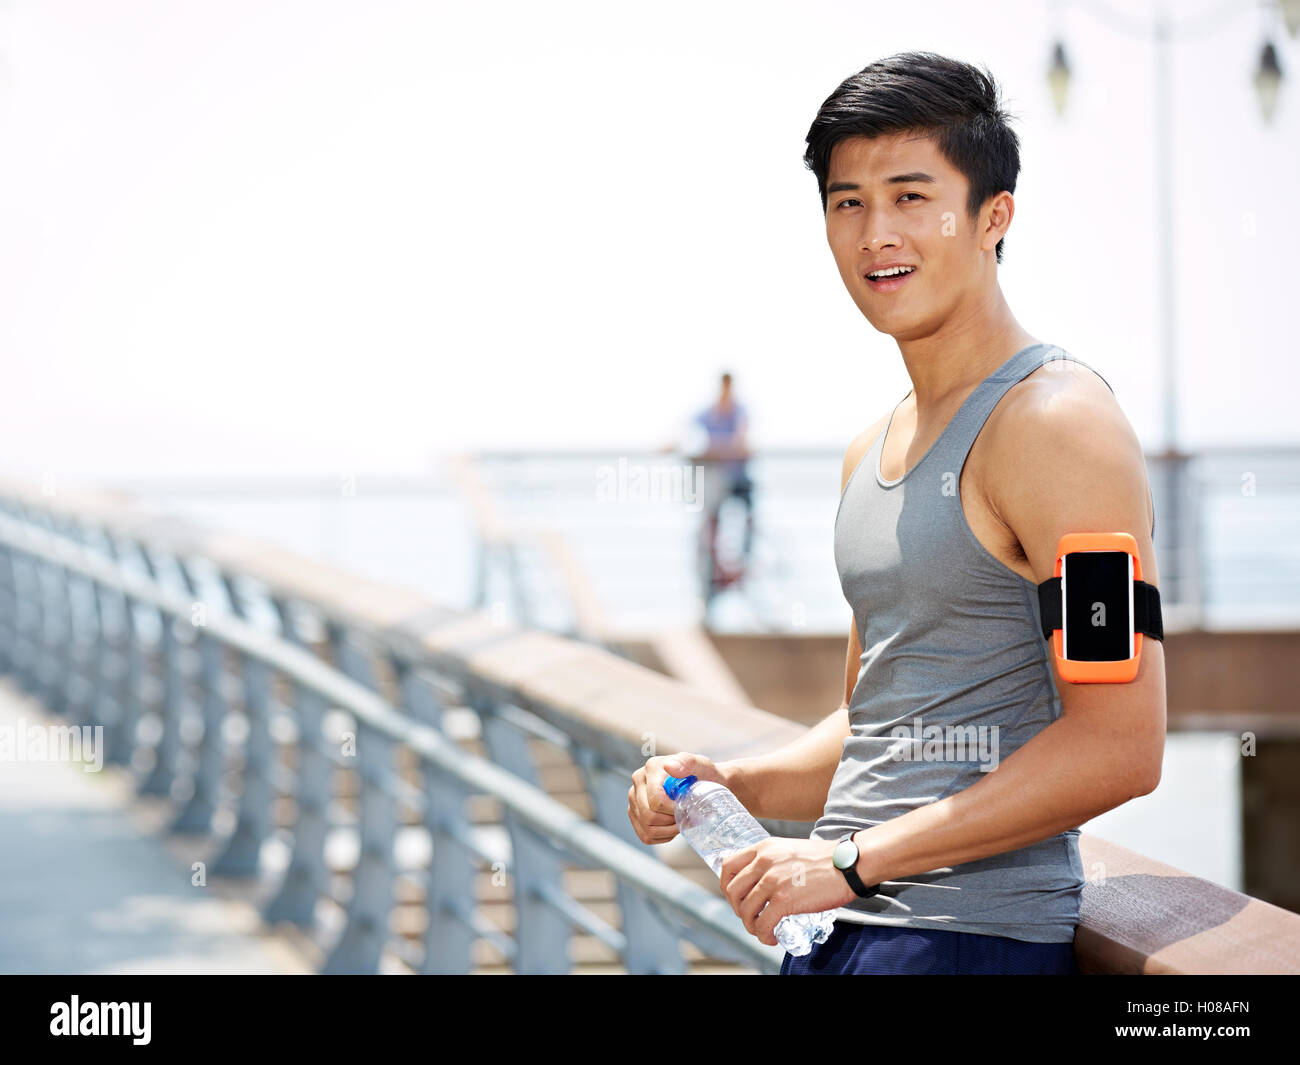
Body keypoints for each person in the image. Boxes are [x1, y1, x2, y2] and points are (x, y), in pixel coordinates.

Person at [628, 51, 1165, 975]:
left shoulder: (1059, 423)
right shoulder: (869, 450)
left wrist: (850, 860)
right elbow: (878, 719)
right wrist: (734, 781)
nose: (876, 233)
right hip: (841, 932)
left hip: (963, 942)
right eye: (848, 202)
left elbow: (1118, 744)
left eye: (912, 197)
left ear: (995, 215)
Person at [692, 372, 754, 564]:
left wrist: (718, 449)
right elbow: (688, 434)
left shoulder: (740, 412)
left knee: (749, 516)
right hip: (717, 480)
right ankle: (712, 564)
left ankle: (745, 557)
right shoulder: (709, 413)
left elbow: (741, 443)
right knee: (711, 520)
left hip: (737, 478)